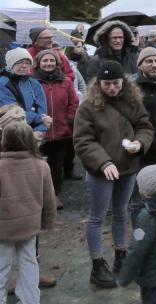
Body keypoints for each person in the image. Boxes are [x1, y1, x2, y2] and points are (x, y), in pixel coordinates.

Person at [73, 60, 154, 288]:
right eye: (107, 84)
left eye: (116, 83)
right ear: (99, 84)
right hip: (101, 171)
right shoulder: (88, 106)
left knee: (121, 212)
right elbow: (82, 140)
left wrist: (140, 143)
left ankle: (121, 255)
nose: (112, 88)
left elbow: (145, 126)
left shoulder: (132, 100)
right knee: (97, 216)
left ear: (123, 82)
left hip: (128, 167)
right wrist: (103, 162)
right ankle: (97, 264)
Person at [0, 121, 56, 303]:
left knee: (2, 266)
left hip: (3, 228)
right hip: (30, 226)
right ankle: (30, 299)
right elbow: (49, 199)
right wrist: (48, 222)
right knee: (29, 262)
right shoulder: (42, 166)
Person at [117, 165, 156, 304]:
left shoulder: (147, 217)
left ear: (145, 192)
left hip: (152, 274)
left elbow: (137, 250)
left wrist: (125, 277)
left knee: (153, 299)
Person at [33, 49, 79, 209]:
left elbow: (73, 102)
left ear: (57, 63)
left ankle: (54, 196)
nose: (48, 63)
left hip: (61, 132)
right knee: (38, 167)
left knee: (56, 167)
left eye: (51, 61)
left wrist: (69, 119)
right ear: (38, 63)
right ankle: (39, 198)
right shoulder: (32, 82)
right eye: (45, 61)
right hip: (39, 133)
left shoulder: (66, 81)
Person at [0, 48, 50, 138]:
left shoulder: (34, 83)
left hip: (35, 136)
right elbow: (14, 113)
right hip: (11, 134)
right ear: (11, 63)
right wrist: (41, 119)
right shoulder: (2, 83)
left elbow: (43, 110)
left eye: (27, 63)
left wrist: (40, 131)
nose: (24, 66)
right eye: (20, 62)